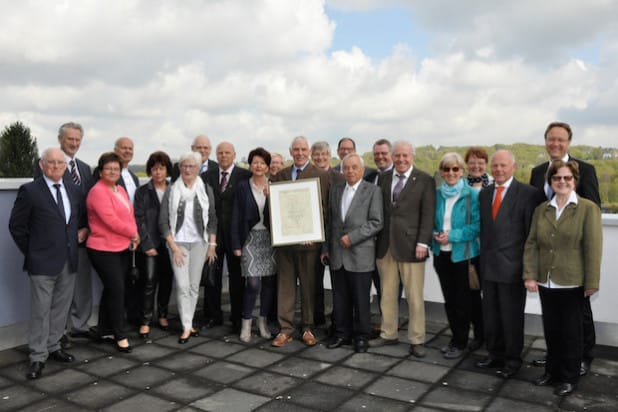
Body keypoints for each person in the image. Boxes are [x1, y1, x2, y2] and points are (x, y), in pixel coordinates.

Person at [524, 160, 602, 396]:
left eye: (567, 178)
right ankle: (552, 372)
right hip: (546, 280)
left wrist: (591, 282)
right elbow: (532, 244)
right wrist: (529, 274)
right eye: (557, 178)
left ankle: (569, 378)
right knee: (552, 330)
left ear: (574, 181)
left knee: (572, 333)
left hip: (572, 281)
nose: (562, 182)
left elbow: (593, 248)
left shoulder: (588, 209)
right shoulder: (542, 210)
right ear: (551, 182)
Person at [9, 148, 87, 379]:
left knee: (60, 309)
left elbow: (78, 220)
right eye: (50, 162)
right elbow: (17, 226)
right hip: (42, 262)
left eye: (60, 163)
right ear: (41, 165)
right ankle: (37, 356)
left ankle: (54, 347)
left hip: (69, 260)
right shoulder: (30, 191)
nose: (55, 166)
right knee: (41, 311)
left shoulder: (73, 189)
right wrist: (33, 252)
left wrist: (81, 232)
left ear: (65, 166)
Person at [475, 150, 544, 378]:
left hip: (513, 269)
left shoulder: (528, 194)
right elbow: (484, 231)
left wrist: (528, 271)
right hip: (488, 267)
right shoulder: (484, 194)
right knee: (491, 316)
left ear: (513, 167)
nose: (499, 170)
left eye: (503, 165)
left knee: (511, 318)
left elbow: (531, 236)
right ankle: (495, 354)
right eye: (495, 166)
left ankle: (513, 361)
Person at [369, 140, 436, 358]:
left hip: (412, 246)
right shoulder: (384, 178)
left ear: (412, 156)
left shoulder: (424, 180)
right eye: (397, 155)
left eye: (405, 155)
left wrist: (423, 243)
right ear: (392, 157)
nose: (401, 159)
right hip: (385, 246)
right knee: (387, 294)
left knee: (414, 297)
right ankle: (388, 334)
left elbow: (428, 214)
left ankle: (417, 339)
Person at [33, 123, 95, 346]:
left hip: (82, 237)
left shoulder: (86, 169)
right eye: (70, 139)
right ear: (60, 139)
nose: (75, 143)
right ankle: (57, 334)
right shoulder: (48, 164)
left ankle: (80, 326)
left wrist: (86, 229)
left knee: (82, 286)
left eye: (78, 139)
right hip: (59, 241)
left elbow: (89, 204)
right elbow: (45, 202)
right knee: (59, 291)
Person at [271, 136, 330, 347]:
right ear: (290, 151)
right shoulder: (281, 175)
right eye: (296, 149)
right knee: (285, 287)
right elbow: (273, 208)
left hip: (309, 245)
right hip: (285, 245)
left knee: (309, 287)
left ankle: (308, 328)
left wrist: (314, 234)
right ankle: (285, 329)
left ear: (309, 152)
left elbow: (325, 211)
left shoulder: (321, 175)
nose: (300, 153)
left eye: (303, 149)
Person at [322, 153, 383, 353]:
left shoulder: (373, 191)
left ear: (362, 170)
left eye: (354, 167)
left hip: (360, 254)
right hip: (337, 255)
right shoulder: (336, 190)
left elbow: (376, 222)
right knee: (340, 299)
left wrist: (353, 237)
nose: (349, 171)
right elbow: (330, 223)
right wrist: (326, 249)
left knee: (361, 299)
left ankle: (362, 336)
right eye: (346, 168)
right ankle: (342, 334)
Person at [160, 151, 217, 344]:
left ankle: (189, 322)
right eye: (184, 165)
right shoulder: (172, 190)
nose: (187, 169)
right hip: (178, 244)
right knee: (183, 286)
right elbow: (163, 222)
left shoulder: (205, 189)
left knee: (193, 286)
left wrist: (212, 245)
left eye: (191, 166)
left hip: (200, 243)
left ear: (198, 168)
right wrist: (174, 247)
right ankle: (186, 327)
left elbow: (213, 219)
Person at [86, 152, 140, 353]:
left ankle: (104, 329)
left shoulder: (121, 190)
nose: (112, 171)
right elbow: (111, 221)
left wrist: (134, 236)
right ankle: (120, 334)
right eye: (108, 168)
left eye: (116, 169)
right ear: (100, 171)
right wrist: (133, 233)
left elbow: (130, 215)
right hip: (102, 249)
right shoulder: (97, 192)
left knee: (111, 289)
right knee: (117, 290)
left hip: (122, 247)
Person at [431, 153, 480, 359]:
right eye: (446, 169)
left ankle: (460, 343)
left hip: (464, 256)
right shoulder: (436, 194)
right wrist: (433, 234)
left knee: (463, 302)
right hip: (441, 255)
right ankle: (456, 338)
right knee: (449, 300)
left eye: (455, 169)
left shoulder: (472, 195)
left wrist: (452, 235)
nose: (450, 173)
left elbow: (476, 227)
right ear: (441, 172)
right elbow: (431, 221)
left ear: (462, 171)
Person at [203, 142, 252, 332]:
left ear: (234, 154)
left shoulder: (245, 176)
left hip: (236, 235)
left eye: (227, 153)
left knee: (237, 279)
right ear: (216, 155)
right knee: (212, 278)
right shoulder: (206, 176)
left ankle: (237, 318)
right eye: (220, 153)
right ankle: (213, 316)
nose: (224, 156)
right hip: (213, 236)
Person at [231, 147, 277, 342]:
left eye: (262, 163)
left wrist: (271, 197)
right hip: (249, 239)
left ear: (267, 166)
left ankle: (263, 323)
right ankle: (246, 323)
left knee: (268, 283)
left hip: (269, 239)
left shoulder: (274, 185)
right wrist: (236, 244)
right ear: (250, 165)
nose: (258, 166)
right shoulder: (242, 186)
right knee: (252, 283)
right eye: (255, 162)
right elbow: (236, 216)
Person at [134, 151, 174, 338]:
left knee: (167, 280)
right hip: (150, 243)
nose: (158, 172)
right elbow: (139, 219)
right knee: (149, 281)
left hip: (170, 243)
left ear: (167, 170)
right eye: (155, 168)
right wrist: (146, 243)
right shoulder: (143, 192)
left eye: (162, 168)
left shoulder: (174, 189)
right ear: (150, 170)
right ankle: (145, 320)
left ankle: (163, 314)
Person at [311, 141, 344, 327]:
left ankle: (338, 321)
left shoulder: (339, 177)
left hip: (334, 236)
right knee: (314, 281)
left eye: (324, 154)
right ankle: (317, 318)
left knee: (337, 282)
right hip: (312, 236)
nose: (320, 157)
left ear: (330, 155)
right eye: (316, 154)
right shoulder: (305, 177)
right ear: (311, 156)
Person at [463, 146, 490, 350]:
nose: (476, 165)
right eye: (472, 161)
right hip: (469, 250)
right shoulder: (460, 186)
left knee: (491, 295)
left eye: (480, 162)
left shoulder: (495, 185)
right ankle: (479, 334)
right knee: (472, 295)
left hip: (491, 251)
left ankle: (493, 335)